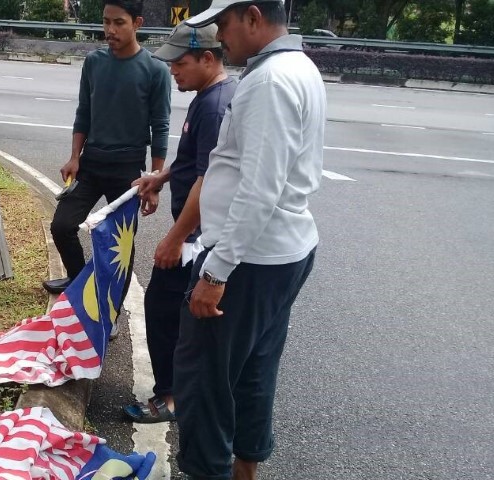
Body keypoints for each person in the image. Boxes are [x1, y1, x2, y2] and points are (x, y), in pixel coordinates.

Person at [173, 1, 326, 478]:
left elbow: (260, 188)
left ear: (253, 17)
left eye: (224, 24)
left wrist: (217, 271)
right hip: (282, 250)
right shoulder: (298, 66)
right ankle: (244, 471)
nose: (220, 37)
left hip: (249, 260)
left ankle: (210, 471)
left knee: (204, 381)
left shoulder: (269, 82)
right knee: (254, 372)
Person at [123, 22, 237, 423]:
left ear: (207, 58)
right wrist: (161, 177)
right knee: (171, 311)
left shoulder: (216, 106)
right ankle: (181, 390)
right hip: (196, 234)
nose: (172, 70)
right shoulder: (208, 96)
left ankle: (172, 397)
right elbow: (191, 161)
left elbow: (208, 181)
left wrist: (175, 238)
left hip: (197, 239)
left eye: (179, 62)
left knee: (164, 311)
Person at [43, 0, 171, 295]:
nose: (110, 30)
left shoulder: (155, 70)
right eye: (106, 22)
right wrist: (74, 157)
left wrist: (155, 180)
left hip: (128, 171)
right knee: (62, 226)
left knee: (119, 243)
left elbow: (161, 127)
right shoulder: (94, 62)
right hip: (91, 163)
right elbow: (83, 113)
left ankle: (110, 306)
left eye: (119, 23)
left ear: (137, 23)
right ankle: (78, 284)